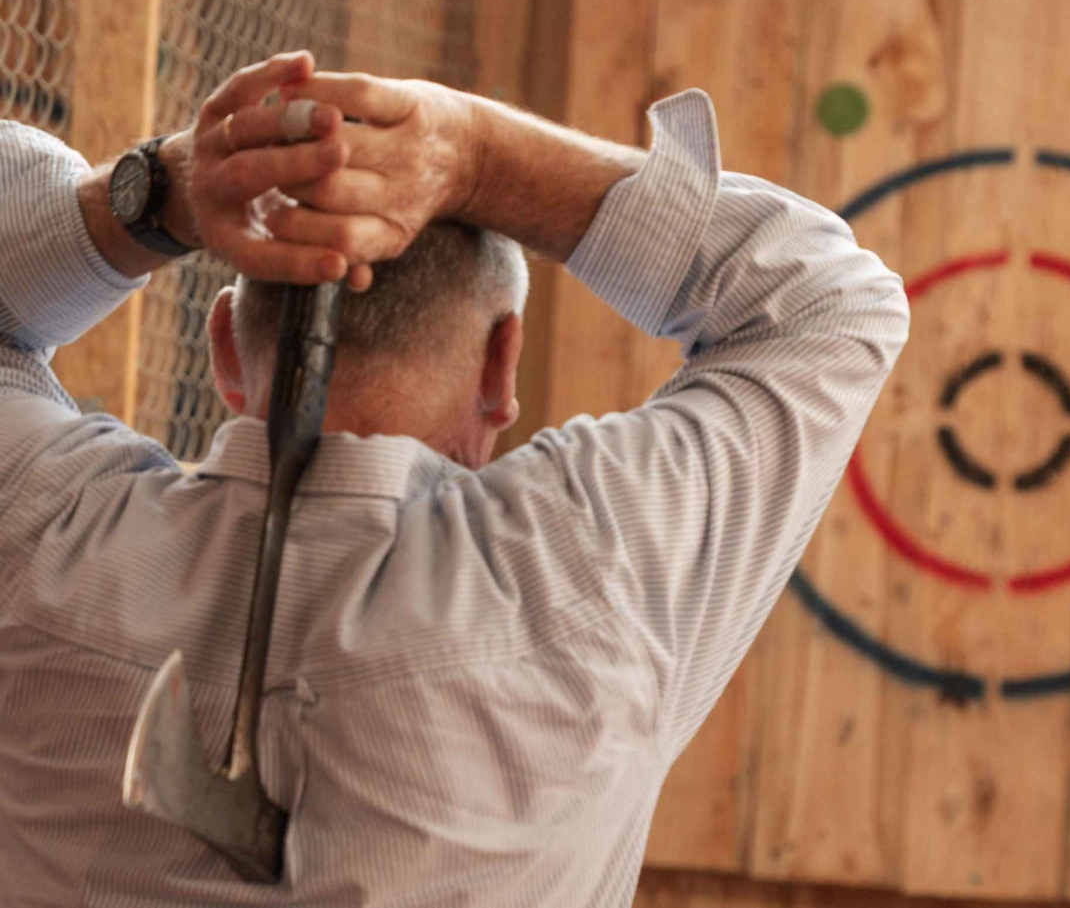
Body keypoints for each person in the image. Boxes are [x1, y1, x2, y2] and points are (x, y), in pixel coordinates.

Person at [0, 52, 908, 904]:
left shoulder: (41, 526)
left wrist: (167, 194)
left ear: (226, 351)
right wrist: (476, 156)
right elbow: (830, 302)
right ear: (501, 366)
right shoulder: (594, 571)